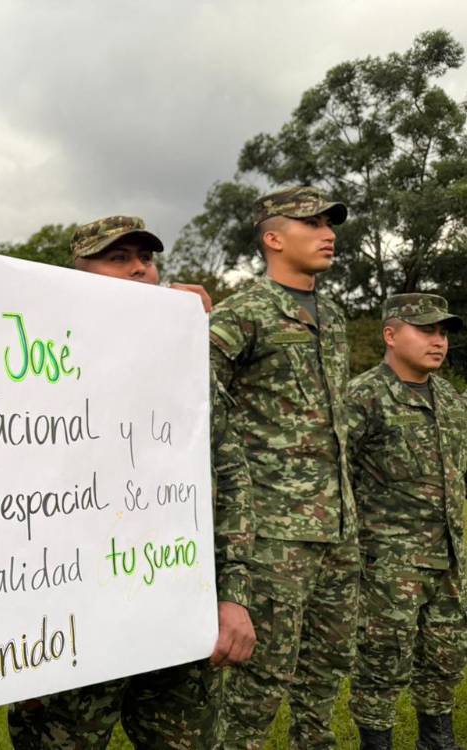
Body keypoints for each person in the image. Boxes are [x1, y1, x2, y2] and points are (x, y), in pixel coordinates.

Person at [7, 215, 255, 749]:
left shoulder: (189, 356)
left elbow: (230, 476)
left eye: (145, 258)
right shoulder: (29, 358)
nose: (140, 269)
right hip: (69, 609)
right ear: (76, 274)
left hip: (175, 601)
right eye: (117, 259)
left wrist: (232, 596)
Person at [208, 186, 358, 748]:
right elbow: (195, 410)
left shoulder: (336, 317)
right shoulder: (242, 314)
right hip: (273, 536)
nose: (328, 233)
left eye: (330, 223)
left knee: (324, 681)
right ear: (273, 238)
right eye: (312, 223)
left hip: (338, 534)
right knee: (255, 692)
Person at [346, 294, 467, 750]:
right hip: (385, 566)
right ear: (391, 335)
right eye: (426, 330)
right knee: (382, 662)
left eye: (443, 332)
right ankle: (377, 743)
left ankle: (438, 741)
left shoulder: (451, 401)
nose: (438, 341)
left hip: (448, 559)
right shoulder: (362, 396)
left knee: (445, 656)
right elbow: (335, 475)